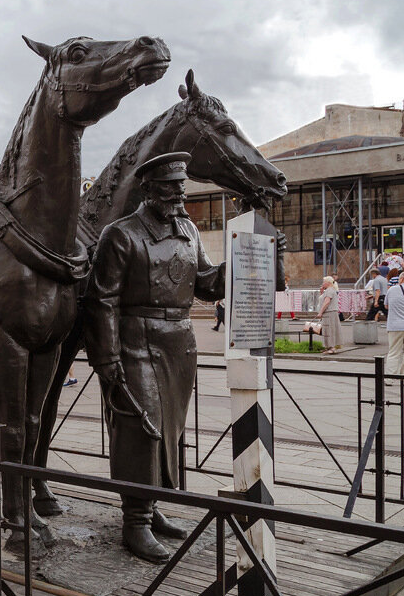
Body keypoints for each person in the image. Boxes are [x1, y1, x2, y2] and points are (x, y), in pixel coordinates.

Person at [83, 152, 286, 563]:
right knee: (141, 429)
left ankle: (152, 507)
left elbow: (207, 285)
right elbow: (100, 301)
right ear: (149, 189)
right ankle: (134, 521)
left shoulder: (188, 231)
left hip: (179, 344)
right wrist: (106, 360)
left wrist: (252, 253)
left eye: (181, 187)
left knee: (169, 431)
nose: (179, 195)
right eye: (170, 187)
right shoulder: (120, 235)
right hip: (136, 341)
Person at [317, 276, 341, 354]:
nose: (322, 284)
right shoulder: (328, 290)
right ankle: (328, 346)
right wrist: (321, 292)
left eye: (324, 282)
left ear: (328, 283)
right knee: (327, 331)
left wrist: (320, 312)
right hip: (328, 313)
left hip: (329, 312)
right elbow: (323, 299)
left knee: (330, 330)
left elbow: (327, 302)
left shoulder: (330, 290)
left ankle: (332, 347)